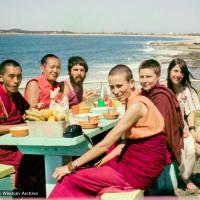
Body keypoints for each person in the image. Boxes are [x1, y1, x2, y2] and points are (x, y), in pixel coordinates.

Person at [49, 64, 168, 199]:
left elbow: (105, 144)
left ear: (132, 83)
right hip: (139, 163)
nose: (115, 91)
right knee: (91, 169)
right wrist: (102, 162)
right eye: (112, 87)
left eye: (119, 86)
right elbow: (124, 145)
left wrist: (69, 166)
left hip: (138, 171)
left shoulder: (136, 106)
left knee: (70, 179)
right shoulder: (136, 99)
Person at [0, 59, 45, 197]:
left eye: (19, 76)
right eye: (11, 76)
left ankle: (35, 192)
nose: (16, 81)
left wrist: (36, 109)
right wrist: (20, 126)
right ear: (1, 77)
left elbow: (26, 110)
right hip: (4, 147)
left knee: (41, 152)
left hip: (17, 141)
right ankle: (27, 193)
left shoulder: (14, 93)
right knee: (32, 157)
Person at [138, 59, 184, 165]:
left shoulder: (160, 97)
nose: (145, 80)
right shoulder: (145, 92)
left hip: (162, 145)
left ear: (158, 77)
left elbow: (161, 128)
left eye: (148, 77)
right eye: (142, 77)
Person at [166, 58, 200, 191]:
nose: (178, 74)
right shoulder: (163, 89)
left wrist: (191, 129)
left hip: (184, 128)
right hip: (168, 130)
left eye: (181, 72)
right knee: (183, 149)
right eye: (175, 70)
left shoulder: (187, 90)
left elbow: (191, 111)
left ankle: (186, 174)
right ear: (169, 71)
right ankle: (186, 177)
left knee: (194, 148)